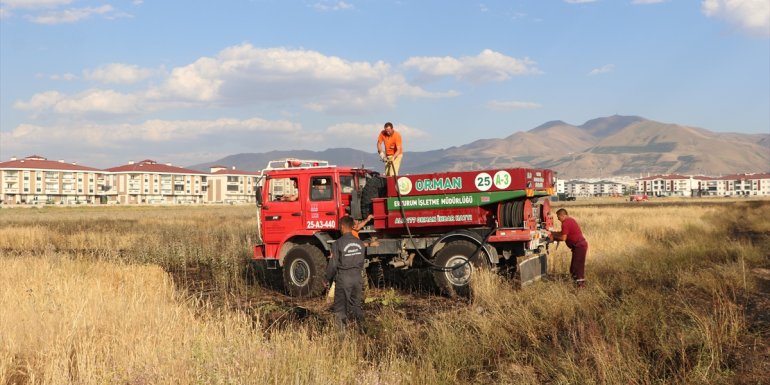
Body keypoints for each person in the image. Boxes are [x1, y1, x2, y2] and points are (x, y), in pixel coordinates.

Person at [325, 216, 366, 330]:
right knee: (356, 306)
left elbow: (333, 265)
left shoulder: (337, 244)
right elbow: (362, 262)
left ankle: (341, 337)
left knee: (340, 309)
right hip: (358, 277)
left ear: (342, 226)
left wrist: (326, 279)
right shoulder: (360, 243)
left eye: (339, 226)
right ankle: (363, 331)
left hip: (344, 278)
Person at [551, 208, 588, 288]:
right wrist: (551, 233)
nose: (558, 219)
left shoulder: (565, 223)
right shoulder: (570, 220)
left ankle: (580, 286)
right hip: (579, 246)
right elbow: (562, 233)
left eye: (558, 217)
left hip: (579, 246)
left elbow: (563, 238)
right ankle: (576, 284)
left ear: (563, 215)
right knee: (574, 267)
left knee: (577, 267)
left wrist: (553, 238)